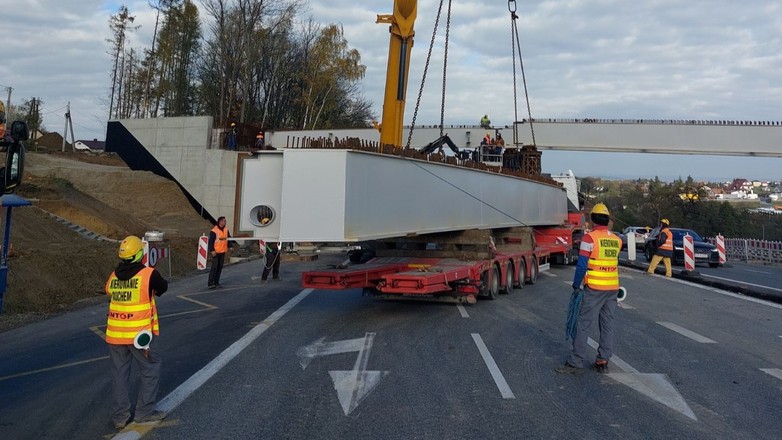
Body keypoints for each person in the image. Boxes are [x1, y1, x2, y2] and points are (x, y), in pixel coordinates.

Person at [105, 235, 169, 429]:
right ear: (141, 254)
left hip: (116, 335)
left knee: (119, 374)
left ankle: (119, 417)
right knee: (150, 370)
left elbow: (108, 291)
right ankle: (143, 413)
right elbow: (163, 287)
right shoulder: (149, 274)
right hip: (139, 337)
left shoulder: (114, 276)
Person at [556, 203, 621, 375]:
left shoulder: (589, 239)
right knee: (607, 324)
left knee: (583, 324)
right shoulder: (616, 240)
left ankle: (576, 361)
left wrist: (576, 285)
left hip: (594, 287)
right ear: (607, 220)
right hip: (612, 287)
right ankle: (603, 359)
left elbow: (582, 265)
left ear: (592, 219)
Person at [208, 216, 233, 288]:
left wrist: (230, 246)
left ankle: (216, 282)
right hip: (216, 252)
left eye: (225, 221)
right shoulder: (214, 230)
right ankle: (210, 283)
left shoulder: (226, 230)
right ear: (220, 222)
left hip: (222, 251)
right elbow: (211, 241)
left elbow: (228, 239)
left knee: (220, 267)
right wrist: (212, 250)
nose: (225, 222)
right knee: (214, 267)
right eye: (224, 221)